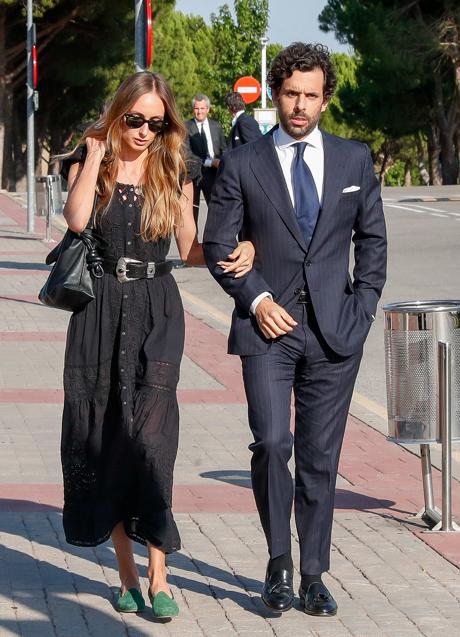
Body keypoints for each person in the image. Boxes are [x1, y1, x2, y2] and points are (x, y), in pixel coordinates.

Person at [59, 71, 255, 620]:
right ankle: (125, 576)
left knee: (151, 442)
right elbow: (75, 222)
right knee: (109, 440)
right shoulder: (88, 162)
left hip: (156, 309)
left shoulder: (175, 168)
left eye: (157, 121)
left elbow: (190, 247)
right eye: (135, 119)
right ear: (118, 112)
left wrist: (240, 247)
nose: (146, 131)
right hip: (98, 311)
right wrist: (97, 154)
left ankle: (160, 576)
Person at [203, 43, 387, 618]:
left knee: (319, 457)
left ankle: (313, 574)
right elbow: (217, 245)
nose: (300, 105)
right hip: (267, 331)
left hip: (336, 333)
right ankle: (276, 564)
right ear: (275, 94)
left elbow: (373, 243)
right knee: (272, 443)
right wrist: (255, 297)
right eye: (290, 94)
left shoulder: (354, 160)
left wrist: (360, 310)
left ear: (325, 100)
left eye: (311, 95)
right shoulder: (242, 162)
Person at [184, 93, 227, 224]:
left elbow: (223, 148)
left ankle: (216, 241)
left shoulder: (216, 126)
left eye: (202, 108)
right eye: (197, 108)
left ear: (208, 109)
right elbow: (187, 153)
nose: (199, 111)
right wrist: (209, 162)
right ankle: (193, 242)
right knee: (192, 212)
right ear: (193, 109)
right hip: (194, 176)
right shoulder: (185, 127)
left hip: (214, 175)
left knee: (216, 210)